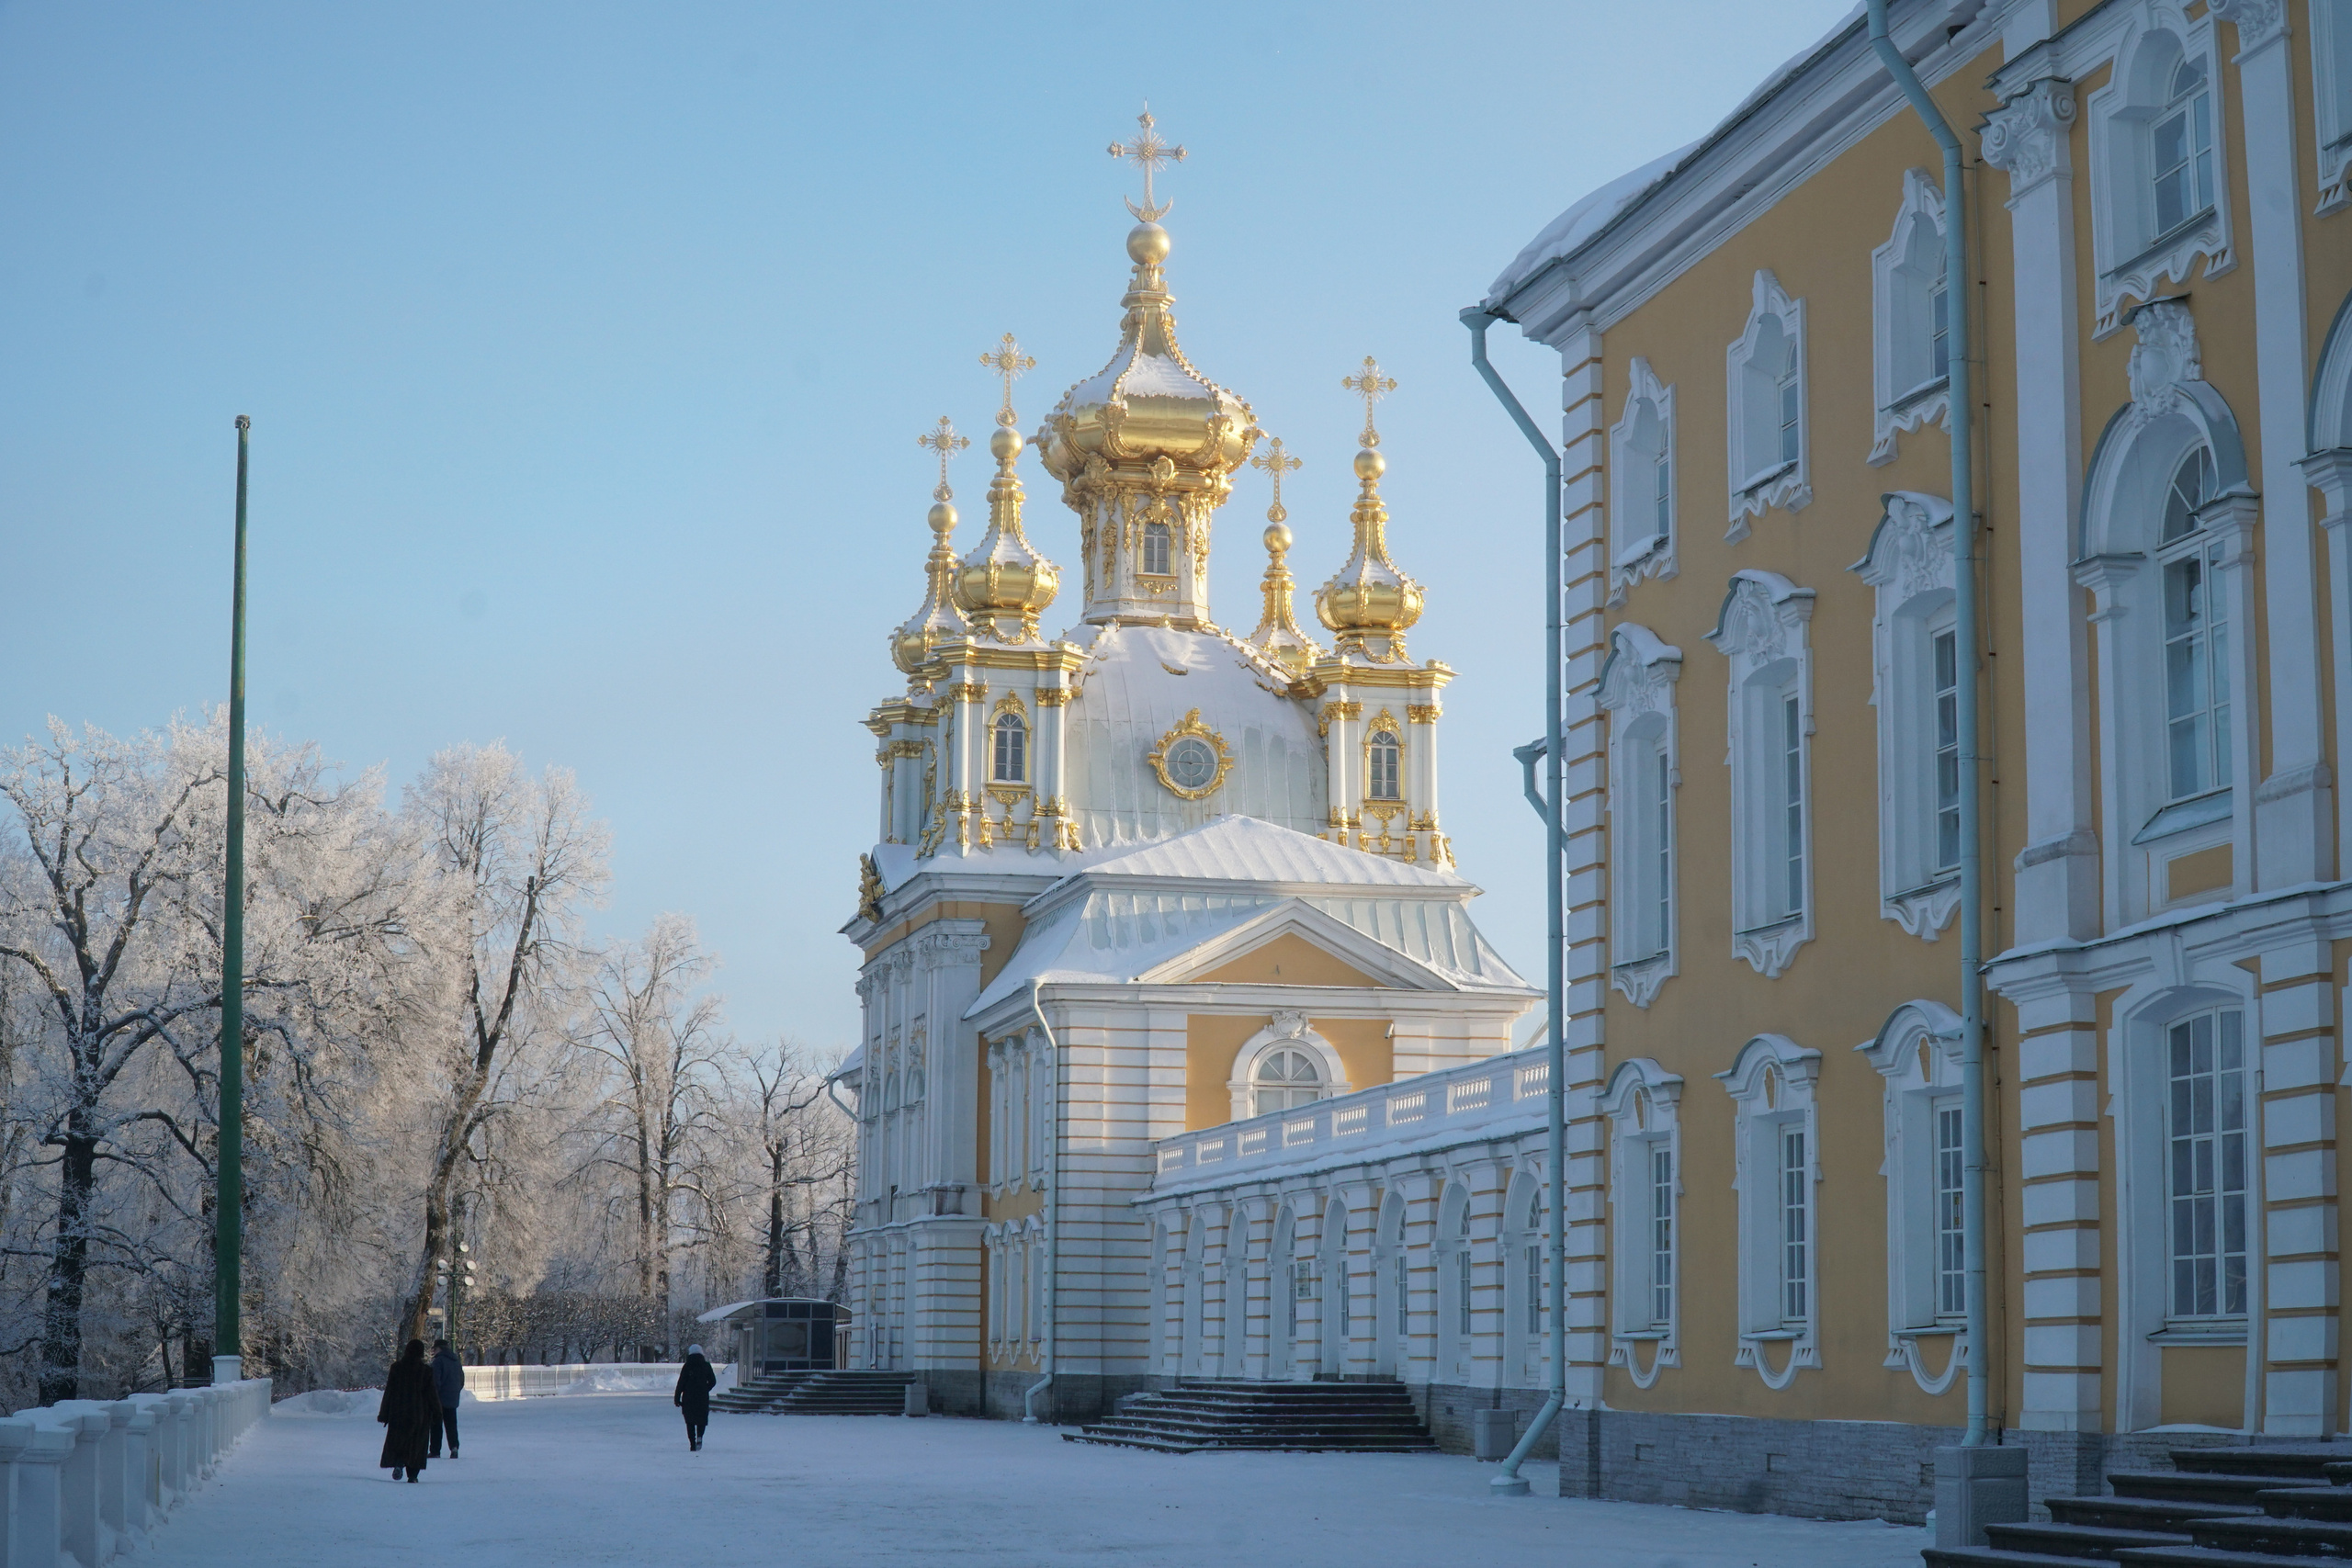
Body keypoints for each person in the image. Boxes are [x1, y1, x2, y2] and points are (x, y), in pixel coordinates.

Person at [378, 1339, 442, 1483]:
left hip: (398, 1411)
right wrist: (437, 1413)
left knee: (399, 1439)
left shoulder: (396, 1368)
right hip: (419, 1413)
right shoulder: (426, 1371)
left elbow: (389, 1392)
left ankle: (399, 1461)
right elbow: (432, 1394)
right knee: (417, 1444)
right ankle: (413, 1475)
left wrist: (384, 1413)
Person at [674, 1345, 717, 1451]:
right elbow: (713, 1381)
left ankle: (692, 1443)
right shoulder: (706, 1366)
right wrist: (705, 1389)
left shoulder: (687, 1366)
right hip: (702, 1398)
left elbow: (681, 1383)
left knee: (690, 1421)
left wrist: (677, 1397)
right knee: (701, 1419)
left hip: (688, 1398)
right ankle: (700, 1436)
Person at [427, 1338, 465, 1459]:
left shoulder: (438, 1362)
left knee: (436, 1425)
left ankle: (435, 1450)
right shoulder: (456, 1361)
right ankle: (454, 1447)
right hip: (452, 1398)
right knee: (451, 1424)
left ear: (439, 1348)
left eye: (435, 1348)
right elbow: (461, 1379)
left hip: (439, 1399)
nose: (433, 1351)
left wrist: (432, 1395)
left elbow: (435, 1381)